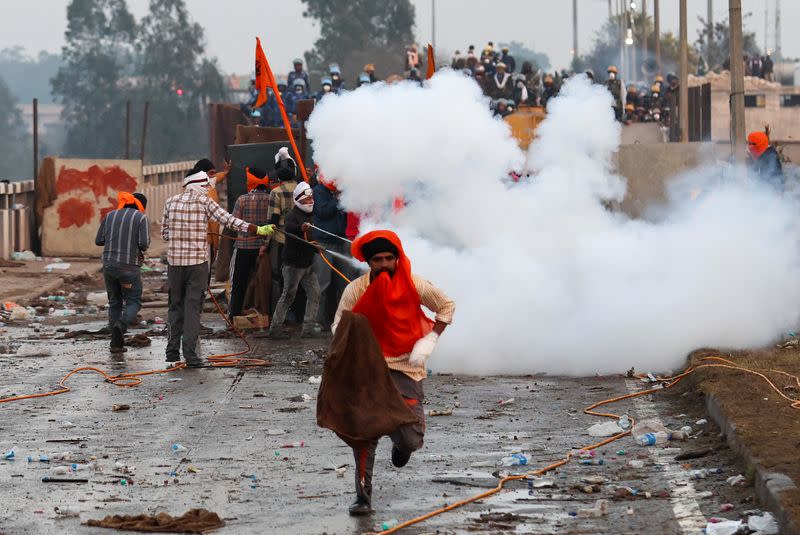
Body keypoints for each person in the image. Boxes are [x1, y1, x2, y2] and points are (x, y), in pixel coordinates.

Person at [332, 230, 455, 516]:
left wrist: (430, 340)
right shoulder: (356, 289)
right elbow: (339, 324)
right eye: (378, 259)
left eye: (390, 258)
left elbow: (446, 306)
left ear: (397, 258)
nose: (385, 264)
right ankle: (363, 496)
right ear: (369, 262)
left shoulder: (414, 284)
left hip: (406, 366)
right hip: (368, 368)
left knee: (411, 438)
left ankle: (402, 448)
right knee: (364, 433)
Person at [161, 170, 269, 367]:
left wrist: (180, 238)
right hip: (197, 265)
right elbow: (228, 220)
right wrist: (256, 229)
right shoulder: (205, 202)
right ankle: (191, 357)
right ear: (201, 186)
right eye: (206, 187)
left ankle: (172, 352)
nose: (207, 190)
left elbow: (165, 234)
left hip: (175, 265)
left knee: (175, 306)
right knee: (193, 308)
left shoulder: (170, 202)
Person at [95, 191, 149, 353]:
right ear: (141, 206)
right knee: (133, 301)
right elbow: (144, 243)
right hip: (129, 267)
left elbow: (99, 240)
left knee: (115, 302)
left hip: (109, 266)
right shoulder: (141, 218)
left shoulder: (110, 215)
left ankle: (116, 344)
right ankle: (122, 324)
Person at [268, 182, 322, 339]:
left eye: (311, 198)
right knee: (288, 296)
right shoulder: (292, 216)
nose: (310, 201)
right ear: (298, 200)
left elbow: (310, 238)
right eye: (306, 199)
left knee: (315, 294)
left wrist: (315, 247)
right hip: (293, 265)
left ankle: (308, 328)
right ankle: (275, 329)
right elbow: (292, 230)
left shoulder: (311, 215)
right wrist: (302, 229)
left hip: (307, 264)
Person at [228, 167, 273, 321]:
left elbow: (233, 223)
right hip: (263, 249)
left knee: (239, 283)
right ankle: (265, 313)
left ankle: (234, 314)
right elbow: (273, 225)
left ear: (251, 182)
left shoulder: (242, 199)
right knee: (263, 283)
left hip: (243, 247)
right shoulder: (270, 199)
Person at [311, 172, 350, 330]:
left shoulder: (340, 190)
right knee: (322, 284)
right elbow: (323, 212)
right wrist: (337, 199)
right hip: (324, 242)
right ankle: (317, 321)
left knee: (345, 283)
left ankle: (344, 320)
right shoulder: (318, 191)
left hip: (341, 240)